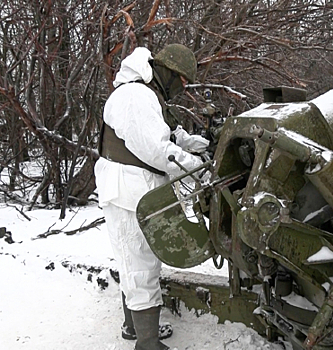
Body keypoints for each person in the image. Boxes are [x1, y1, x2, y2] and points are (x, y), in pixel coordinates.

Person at [94, 45, 209, 350]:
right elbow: (156, 150)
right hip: (127, 190)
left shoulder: (146, 94)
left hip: (134, 189)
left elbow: (165, 134)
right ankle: (147, 343)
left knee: (135, 261)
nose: (182, 87)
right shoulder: (135, 96)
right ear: (167, 73)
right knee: (139, 264)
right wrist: (198, 168)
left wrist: (194, 143)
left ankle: (135, 328)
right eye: (181, 80)